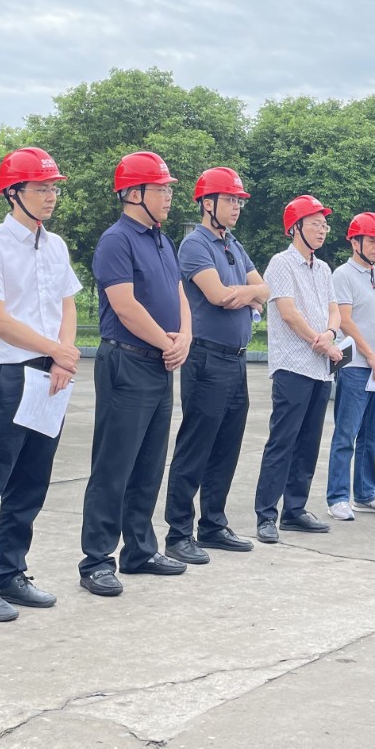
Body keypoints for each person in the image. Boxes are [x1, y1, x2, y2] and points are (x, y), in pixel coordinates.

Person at [0, 147, 82, 622]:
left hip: (52, 375)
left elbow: (68, 303)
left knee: (31, 481)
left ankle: (10, 572)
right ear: (12, 193)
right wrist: (56, 350)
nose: (50, 196)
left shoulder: (56, 245)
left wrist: (63, 355)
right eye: (40, 188)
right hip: (9, 376)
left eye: (53, 188)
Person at [79, 151, 192, 598]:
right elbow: (125, 306)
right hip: (126, 362)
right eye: (160, 189)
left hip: (160, 363)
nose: (168, 196)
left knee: (148, 463)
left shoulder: (162, 240)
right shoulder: (116, 240)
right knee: (114, 464)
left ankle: (140, 550)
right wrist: (168, 343)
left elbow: (179, 294)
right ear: (133, 193)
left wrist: (184, 337)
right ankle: (97, 559)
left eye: (167, 189)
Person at [163, 167, 269, 563]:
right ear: (207, 203)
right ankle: (178, 533)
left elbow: (265, 289)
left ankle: (213, 525)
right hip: (206, 358)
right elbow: (218, 295)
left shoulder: (233, 244)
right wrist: (246, 293)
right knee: (196, 445)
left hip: (236, 360)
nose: (237, 207)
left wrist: (247, 293)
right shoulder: (195, 245)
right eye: (229, 200)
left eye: (239, 201)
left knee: (226, 446)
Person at [254, 195, 342, 543]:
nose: (322, 230)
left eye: (324, 224)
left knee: (308, 443)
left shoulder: (324, 269)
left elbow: (334, 310)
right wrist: (317, 340)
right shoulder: (281, 263)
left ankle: (295, 510)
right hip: (293, 367)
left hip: (320, 367)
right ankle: (266, 515)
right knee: (283, 441)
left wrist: (330, 334)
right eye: (315, 224)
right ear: (295, 227)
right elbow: (288, 312)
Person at [326, 213, 375, 521]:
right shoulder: (342, 276)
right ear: (355, 242)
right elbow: (345, 320)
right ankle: (337, 497)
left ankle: (366, 493)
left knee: (374, 435)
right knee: (346, 434)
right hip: (356, 367)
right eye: (371, 240)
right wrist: (370, 355)